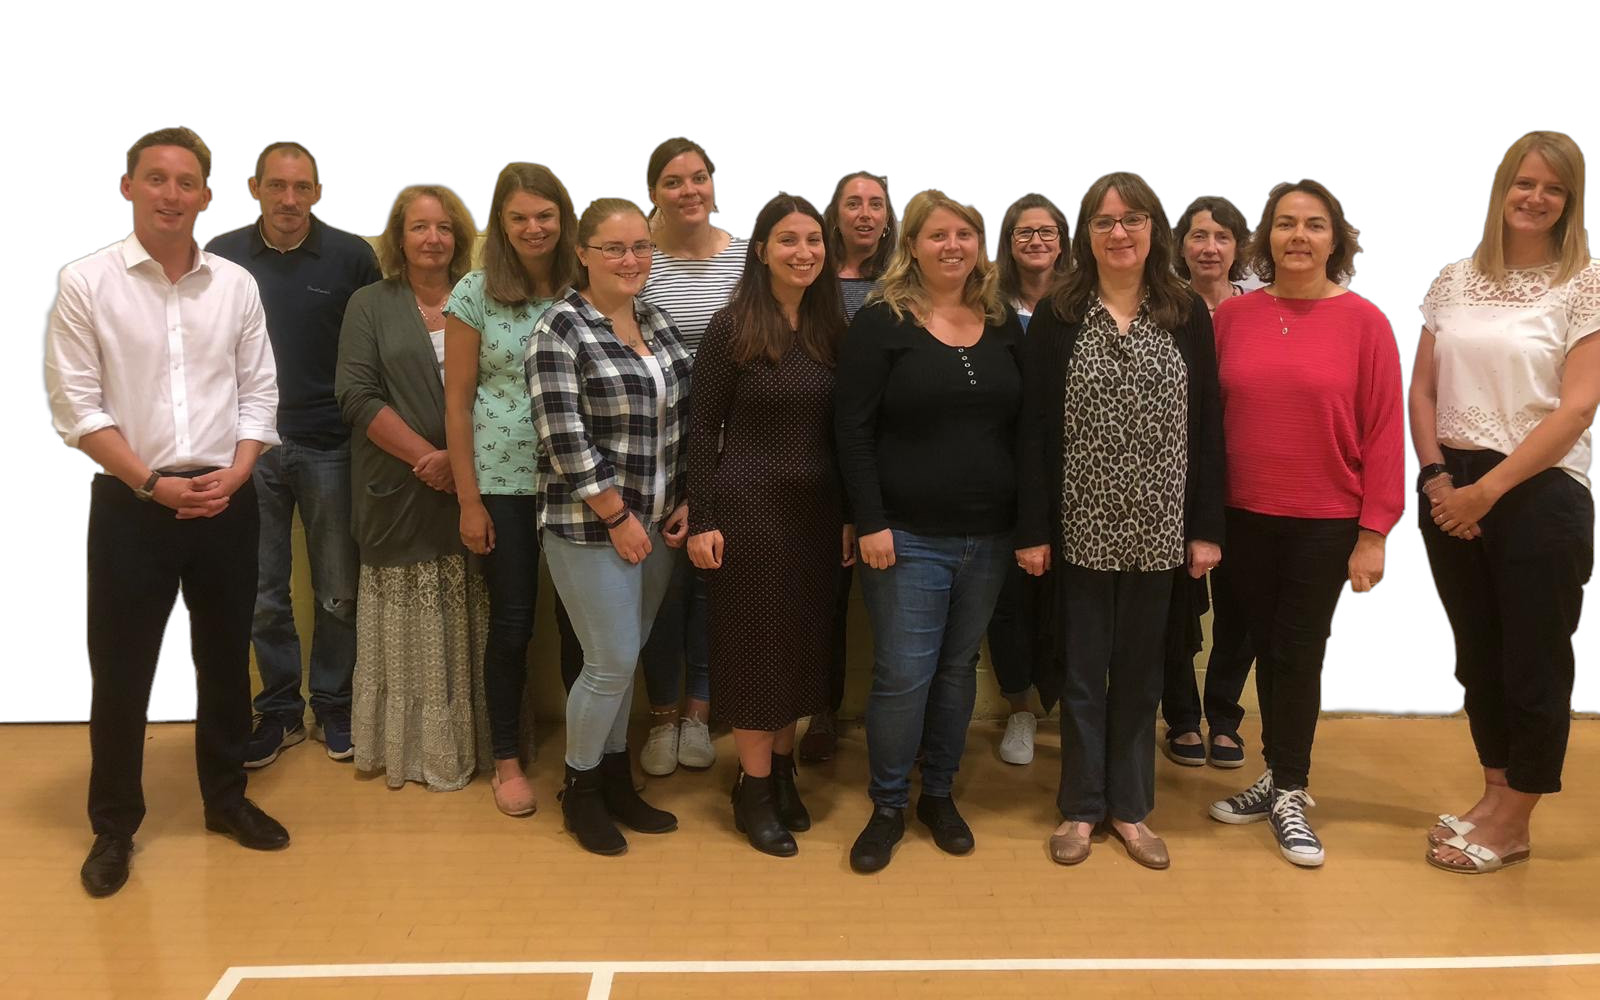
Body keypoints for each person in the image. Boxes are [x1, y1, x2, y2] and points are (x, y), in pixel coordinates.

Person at [46, 127, 289, 898]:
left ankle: (226, 799)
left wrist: (238, 472)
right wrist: (151, 484)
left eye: (187, 182)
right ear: (128, 187)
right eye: (156, 178)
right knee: (121, 669)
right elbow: (77, 406)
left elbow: (259, 392)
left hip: (226, 498)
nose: (171, 194)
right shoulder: (87, 282)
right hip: (133, 503)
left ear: (206, 197)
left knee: (224, 658)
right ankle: (114, 825)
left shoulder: (235, 286)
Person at [1014, 174, 1224, 870]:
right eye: (1104, 222)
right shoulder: (1060, 314)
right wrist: (1033, 529)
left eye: (1132, 219)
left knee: (1140, 676)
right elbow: (1033, 429)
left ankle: (1130, 808)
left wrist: (1205, 528)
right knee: (1082, 674)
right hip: (1080, 530)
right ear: (1086, 234)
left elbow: (1208, 426)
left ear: (1153, 227)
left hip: (1160, 531)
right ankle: (1081, 807)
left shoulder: (1186, 313)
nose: (1119, 233)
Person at [1412, 131, 1599, 875]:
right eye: (1525, 182)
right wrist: (1436, 478)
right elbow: (1423, 389)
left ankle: (1516, 820)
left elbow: (1577, 407)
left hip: (1536, 490)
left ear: (1570, 201)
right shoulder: (1454, 280)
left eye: (1554, 188)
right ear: (1502, 187)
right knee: (1478, 655)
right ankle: (1493, 794)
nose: (1535, 197)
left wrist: (1485, 492)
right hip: (1450, 486)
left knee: (1534, 662)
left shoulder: (1584, 283)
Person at [1207, 180, 1403, 868]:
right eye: (1286, 223)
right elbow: (1207, 421)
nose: (1298, 235)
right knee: (1264, 647)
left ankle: (1290, 787)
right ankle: (1276, 774)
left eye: (1314, 224)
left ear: (1335, 239)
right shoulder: (1234, 318)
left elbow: (1384, 430)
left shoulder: (1366, 323)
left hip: (1325, 521)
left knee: (1297, 650)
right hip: (1242, 517)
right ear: (1266, 236)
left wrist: (1375, 533)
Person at [835, 190, 1023, 874]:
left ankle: (937, 794)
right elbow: (851, 428)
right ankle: (888, 805)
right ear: (911, 245)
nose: (953, 245)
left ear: (979, 244)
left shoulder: (1002, 322)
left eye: (964, 234)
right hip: (906, 537)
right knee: (903, 674)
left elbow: (1023, 428)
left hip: (989, 537)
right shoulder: (881, 321)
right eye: (937, 234)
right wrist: (871, 520)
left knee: (956, 670)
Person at [687, 194, 852, 857]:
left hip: (817, 518)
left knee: (801, 650)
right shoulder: (731, 327)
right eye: (788, 239)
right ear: (760, 250)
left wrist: (848, 516)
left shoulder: (834, 329)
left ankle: (782, 775)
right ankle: (752, 790)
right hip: (748, 513)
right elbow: (703, 429)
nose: (803, 252)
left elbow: (847, 435)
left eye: (813, 240)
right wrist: (703, 518)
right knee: (756, 653)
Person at [207, 142, 381, 769]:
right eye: (277, 186)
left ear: (317, 192)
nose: (289, 199)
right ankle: (279, 710)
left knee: (338, 589)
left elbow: (373, 347)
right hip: (247, 448)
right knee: (262, 593)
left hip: (331, 444)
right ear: (254, 187)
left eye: (301, 187)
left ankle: (333, 702)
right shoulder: (221, 255)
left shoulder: (351, 256)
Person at [529, 198, 693, 856]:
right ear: (584, 254)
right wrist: (618, 516)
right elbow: (564, 440)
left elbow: (680, 416)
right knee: (610, 661)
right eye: (615, 248)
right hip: (590, 527)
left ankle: (618, 782)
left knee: (625, 661)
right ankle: (581, 790)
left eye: (641, 247)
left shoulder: (655, 318)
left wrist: (682, 498)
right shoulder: (559, 330)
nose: (631, 260)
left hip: (656, 524)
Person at [335, 185, 490, 791]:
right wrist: (430, 458)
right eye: (420, 227)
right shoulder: (369, 304)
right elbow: (356, 395)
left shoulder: (481, 298)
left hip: (477, 486)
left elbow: (504, 386)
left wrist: (462, 464)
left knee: (471, 614)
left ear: (460, 237)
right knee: (409, 622)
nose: (433, 238)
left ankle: (472, 744)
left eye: (445, 227)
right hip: (396, 488)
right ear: (398, 238)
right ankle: (410, 750)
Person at [443, 163, 585, 817]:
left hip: (580, 480)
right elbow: (457, 403)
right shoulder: (475, 293)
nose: (534, 228)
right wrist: (468, 499)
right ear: (500, 222)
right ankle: (506, 761)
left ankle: (589, 758)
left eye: (545, 215)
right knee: (512, 625)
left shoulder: (586, 284)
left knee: (583, 627)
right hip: (503, 484)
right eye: (519, 216)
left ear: (564, 218)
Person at [636, 137, 747, 774]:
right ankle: (661, 718)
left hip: (730, 454)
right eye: (673, 181)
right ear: (653, 192)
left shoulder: (743, 259)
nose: (689, 191)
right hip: (653, 453)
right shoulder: (640, 261)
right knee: (661, 593)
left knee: (712, 588)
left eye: (698, 177)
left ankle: (700, 713)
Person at [800, 170, 900, 765]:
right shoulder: (810, 277)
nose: (865, 213)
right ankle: (821, 710)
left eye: (876, 204)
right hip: (817, 453)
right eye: (853, 203)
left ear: (888, 218)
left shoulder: (903, 282)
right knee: (825, 599)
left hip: (890, 456)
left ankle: (904, 722)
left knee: (897, 605)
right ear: (834, 213)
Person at [1160, 195, 1255, 769]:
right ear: (1181, 245)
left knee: (1240, 606)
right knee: (1176, 606)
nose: (1210, 247)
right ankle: (1181, 717)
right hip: (1178, 477)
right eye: (1199, 236)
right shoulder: (1164, 307)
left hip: (1246, 475)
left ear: (1238, 247)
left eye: (1222, 237)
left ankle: (1224, 717)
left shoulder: (1258, 308)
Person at [986, 193, 1072, 767]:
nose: (1036, 241)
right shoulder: (988, 305)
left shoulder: (1083, 303)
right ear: (1008, 241)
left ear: (1063, 240)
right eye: (1024, 232)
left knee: (1069, 597)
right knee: (1008, 600)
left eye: (1046, 231)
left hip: (1073, 473)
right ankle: (1019, 708)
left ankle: (1071, 706)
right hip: (1002, 470)